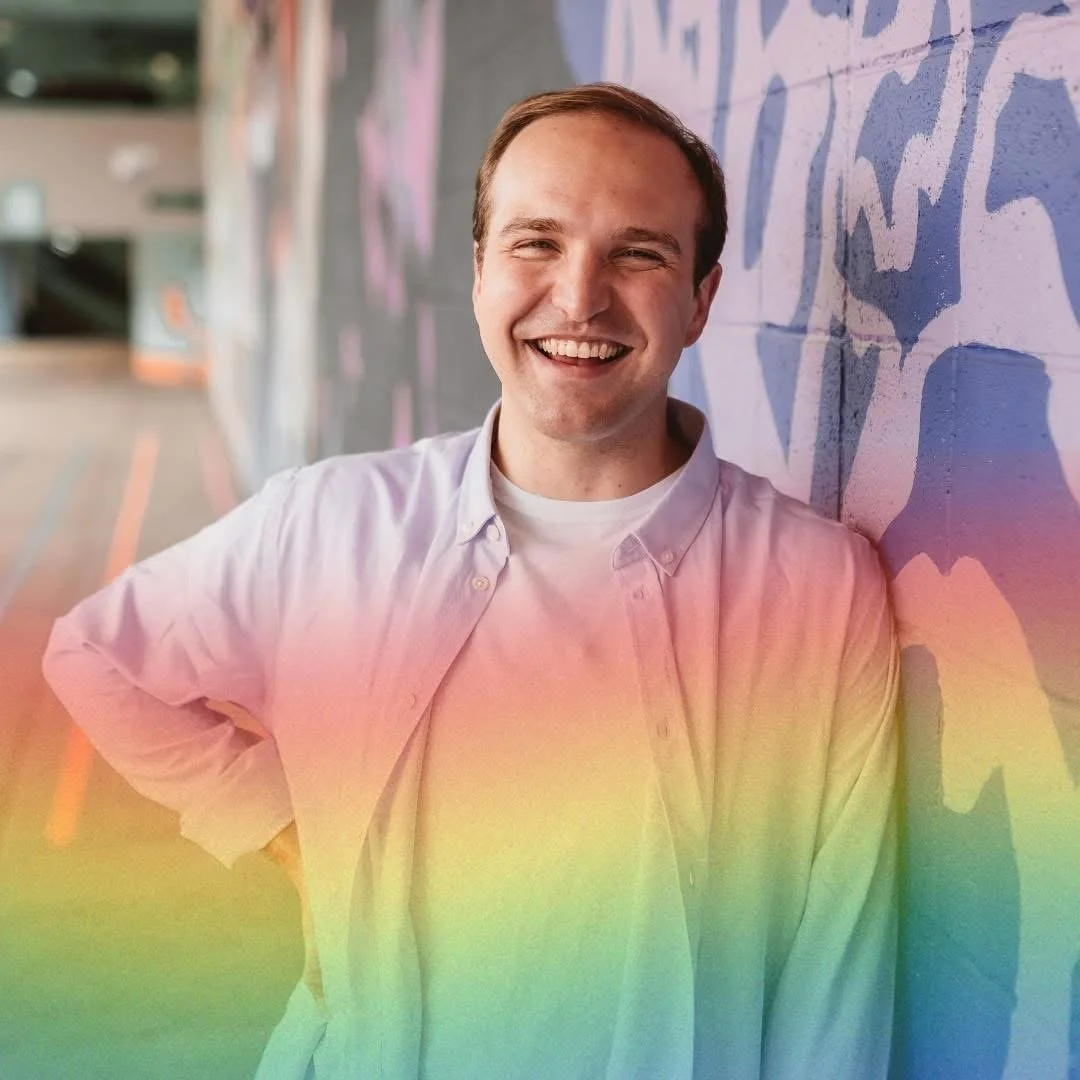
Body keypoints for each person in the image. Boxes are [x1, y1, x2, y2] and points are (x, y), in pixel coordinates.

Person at [44, 83, 899, 1079]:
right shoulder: (331, 526)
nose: (579, 298)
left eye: (640, 252)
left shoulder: (817, 586)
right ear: (481, 269)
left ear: (701, 300)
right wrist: (282, 834)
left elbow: (840, 979)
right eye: (537, 241)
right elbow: (96, 656)